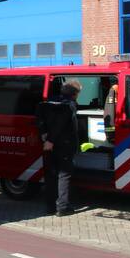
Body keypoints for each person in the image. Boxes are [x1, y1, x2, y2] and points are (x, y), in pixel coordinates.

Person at [37, 80, 82, 216]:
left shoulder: (48, 103)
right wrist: (51, 140)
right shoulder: (69, 106)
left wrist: (45, 137)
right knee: (64, 175)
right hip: (64, 144)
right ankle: (62, 207)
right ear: (75, 94)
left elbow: (39, 120)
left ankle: (50, 206)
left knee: (50, 174)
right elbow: (60, 124)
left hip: (48, 145)